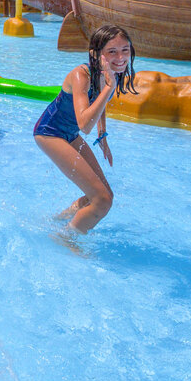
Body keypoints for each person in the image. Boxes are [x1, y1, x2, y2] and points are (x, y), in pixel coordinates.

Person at [33, 24, 137, 233]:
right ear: (96, 54)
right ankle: (66, 237)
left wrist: (103, 134)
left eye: (125, 50)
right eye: (112, 51)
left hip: (69, 134)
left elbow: (99, 103)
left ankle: (59, 219)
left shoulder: (109, 72)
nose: (120, 57)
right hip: (49, 133)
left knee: (104, 194)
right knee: (102, 200)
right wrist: (109, 87)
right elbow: (84, 125)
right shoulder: (81, 75)